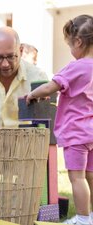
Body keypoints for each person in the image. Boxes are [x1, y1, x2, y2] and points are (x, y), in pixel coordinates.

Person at [26, 14, 93, 225]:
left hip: (76, 133)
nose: (70, 50)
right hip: (91, 131)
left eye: (70, 45)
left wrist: (33, 94)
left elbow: (50, 86)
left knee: (77, 177)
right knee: (91, 176)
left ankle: (83, 218)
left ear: (79, 42)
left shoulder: (75, 67)